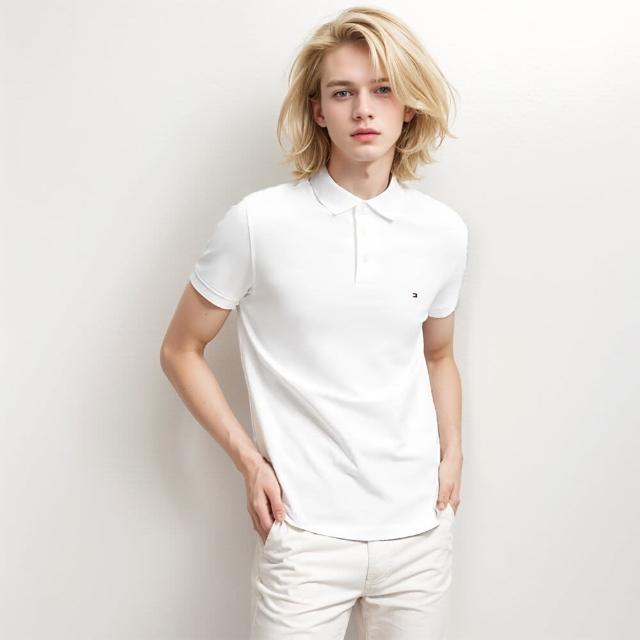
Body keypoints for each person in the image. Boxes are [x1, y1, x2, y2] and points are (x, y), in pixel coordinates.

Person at [160, 6, 469, 639]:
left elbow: (438, 355)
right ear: (318, 109)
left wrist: (454, 452)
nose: (364, 110)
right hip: (304, 537)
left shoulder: (443, 232)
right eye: (343, 92)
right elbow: (181, 349)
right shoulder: (258, 224)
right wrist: (250, 463)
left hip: (418, 534)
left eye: (383, 89)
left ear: (409, 106)